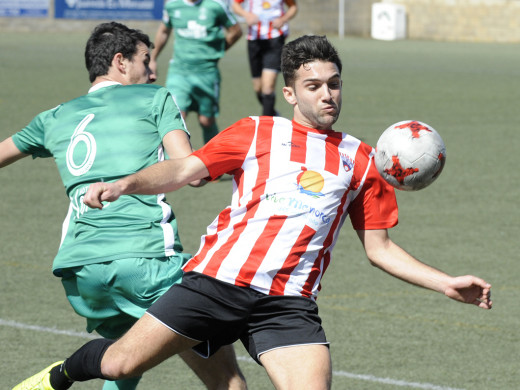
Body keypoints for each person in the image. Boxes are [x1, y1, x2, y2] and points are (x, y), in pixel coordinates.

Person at [14, 35, 492, 390]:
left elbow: (380, 249)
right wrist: (126, 183)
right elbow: (183, 169)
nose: (327, 95)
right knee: (120, 364)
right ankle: (59, 375)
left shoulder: (361, 159)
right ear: (290, 94)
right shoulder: (255, 132)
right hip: (213, 283)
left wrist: (445, 282)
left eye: (334, 84)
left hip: (287, 305)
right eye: (313, 86)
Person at [2, 21, 245, 390]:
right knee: (229, 382)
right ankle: (62, 373)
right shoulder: (156, 98)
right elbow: (191, 171)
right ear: (120, 61)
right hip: (145, 263)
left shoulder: (55, 115)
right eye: (146, 60)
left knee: (125, 363)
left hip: (82, 274)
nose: (153, 70)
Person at [150, 0, 242, 144]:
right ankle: (177, 162)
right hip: (179, 72)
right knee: (176, 119)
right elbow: (163, 31)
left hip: (207, 73)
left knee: (206, 121)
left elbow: (236, 31)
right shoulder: (172, 5)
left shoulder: (216, 5)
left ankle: (213, 160)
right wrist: (153, 59)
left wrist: (218, 50)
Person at [231, 0, 297, 116]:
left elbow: (293, 7)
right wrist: (247, 15)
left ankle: (266, 125)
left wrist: (283, 19)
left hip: (275, 40)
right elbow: (235, 5)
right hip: (254, 40)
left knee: (268, 87)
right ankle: (272, 113)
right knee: (258, 88)